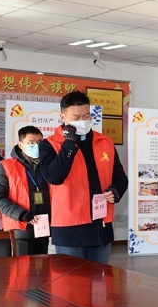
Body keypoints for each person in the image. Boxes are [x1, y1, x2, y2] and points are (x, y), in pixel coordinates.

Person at [40, 91, 128, 263]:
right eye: (76, 117)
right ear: (63, 117)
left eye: (86, 116)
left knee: (100, 278)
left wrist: (115, 191)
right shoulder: (49, 144)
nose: (82, 121)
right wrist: (69, 144)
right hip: (69, 227)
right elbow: (54, 177)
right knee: (70, 279)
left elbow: (120, 178)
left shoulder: (105, 142)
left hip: (100, 224)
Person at [0, 126, 51, 255]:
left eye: (40, 142)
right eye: (31, 143)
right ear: (20, 145)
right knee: (22, 266)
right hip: (19, 228)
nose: (36, 146)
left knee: (42, 266)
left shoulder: (49, 164)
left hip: (43, 227)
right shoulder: (7, 166)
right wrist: (21, 214)